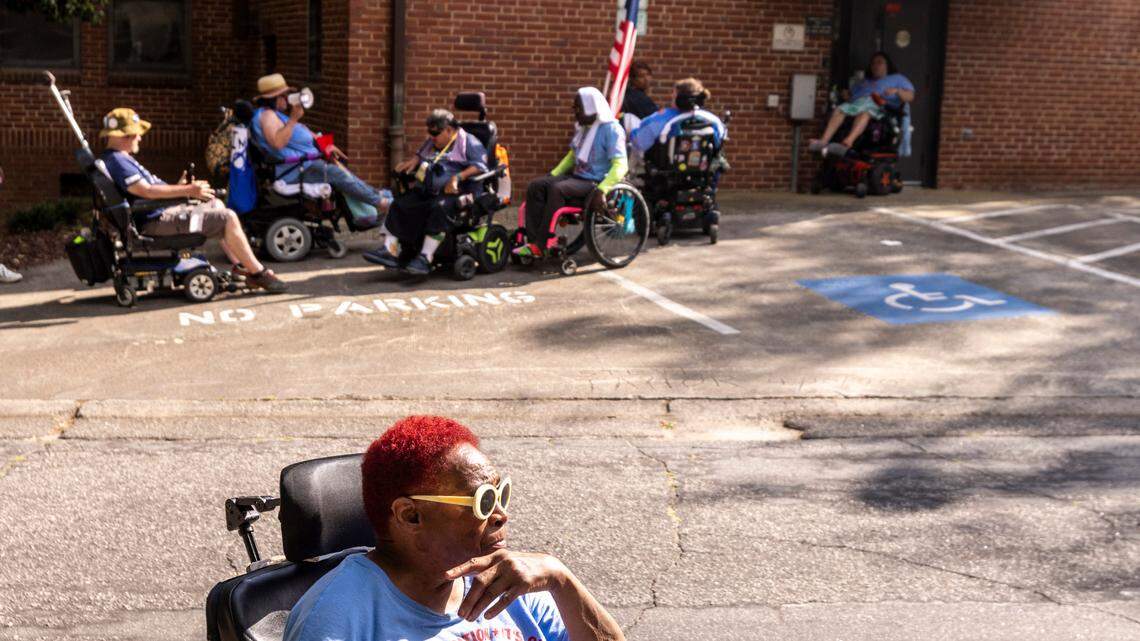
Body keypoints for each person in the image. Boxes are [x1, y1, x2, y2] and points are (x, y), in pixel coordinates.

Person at [283, 415, 626, 641]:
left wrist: (561, 579)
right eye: (483, 500)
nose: (501, 514)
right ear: (409, 515)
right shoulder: (338, 617)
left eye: (501, 493)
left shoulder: (512, 583)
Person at [98, 108, 287, 292]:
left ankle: (242, 265)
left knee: (216, 204)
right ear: (125, 135)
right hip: (157, 221)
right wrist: (188, 190)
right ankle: (258, 273)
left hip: (158, 214)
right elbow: (145, 191)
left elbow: (145, 191)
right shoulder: (119, 161)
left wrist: (179, 189)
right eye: (137, 133)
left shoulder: (117, 159)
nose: (140, 137)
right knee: (227, 217)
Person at [251, 73, 392, 228]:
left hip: (306, 163)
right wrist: (293, 120)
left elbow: (304, 135)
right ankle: (381, 202)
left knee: (342, 172)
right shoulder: (267, 116)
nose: (287, 97)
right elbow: (277, 143)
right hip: (296, 169)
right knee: (338, 174)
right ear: (274, 98)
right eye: (284, 95)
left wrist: (326, 145)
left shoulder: (275, 114)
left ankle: (377, 199)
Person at [362, 109, 489, 276]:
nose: (431, 137)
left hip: (459, 192)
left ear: (449, 130)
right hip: (431, 190)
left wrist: (458, 177)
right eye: (429, 132)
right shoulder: (434, 142)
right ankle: (390, 250)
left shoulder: (470, 142)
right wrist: (412, 163)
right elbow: (420, 156)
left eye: (435, 133)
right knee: (401, 203)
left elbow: (481, 166)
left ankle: (425, 257)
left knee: (440, 208)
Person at [515, 87, 628, 258]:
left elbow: (621, 165)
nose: (574, 112)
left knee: (558, 189)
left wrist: (603, 189)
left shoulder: (611, 130)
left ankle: (542, 242)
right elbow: (572, 156)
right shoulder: (584, 128)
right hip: (578, 178)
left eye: (578, 108)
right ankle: (533, 241)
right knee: (536, 185)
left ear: (591, 108)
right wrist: (552, 175)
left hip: (596, 182)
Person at [809, 51, 915, 158]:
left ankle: (848, 141)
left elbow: (910, 96)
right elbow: (851, 97)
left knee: (865, 113)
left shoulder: (897, 78)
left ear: (887, 65)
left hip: (879, 107)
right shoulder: (864, 82)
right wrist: (846, 95)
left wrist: (897, 91)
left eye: (879, 62)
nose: (875, 66)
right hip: (858, 105)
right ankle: (823, 141)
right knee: (840, 109)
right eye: (873, 63)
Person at [630, 77, 726, 153]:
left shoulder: (661, 118)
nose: (672, 96)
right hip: (703, 176)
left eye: (674, 94)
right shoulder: (713, 121)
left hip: (663, 175)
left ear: (678, 97)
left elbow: (639, 143)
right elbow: (718, 147)